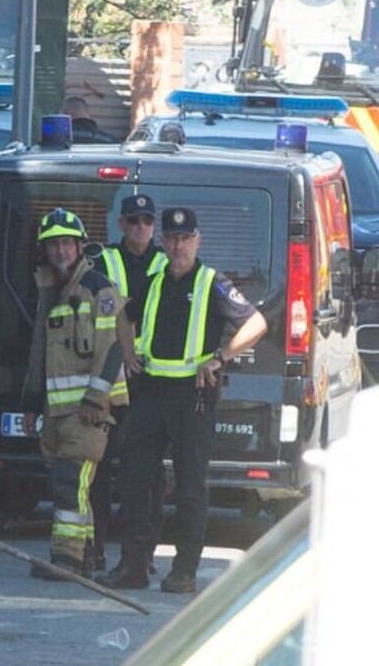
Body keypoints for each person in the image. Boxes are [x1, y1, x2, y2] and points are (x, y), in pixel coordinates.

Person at [97, 208, 267, 593]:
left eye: (185, 238)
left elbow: (256, 324)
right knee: (137, 481)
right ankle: (134, 566)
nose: (178, 246)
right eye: (172, 239)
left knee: (190, 487)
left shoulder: (211, 282)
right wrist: (128, 353)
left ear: (197, 240)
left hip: (193, 397)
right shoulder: (155, 279)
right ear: (164, 242)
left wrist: (221, 357)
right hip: (152, 393)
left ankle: (184, 571)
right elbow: (125, 316)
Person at [23, 208, 130, 579]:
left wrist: (95, 399)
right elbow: (40, 352)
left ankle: (66, 559)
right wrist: (31, 404)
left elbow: (113, 346)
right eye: (53, 245)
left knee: (71, 483)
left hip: (88, 413)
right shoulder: (50, 291)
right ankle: (83, 555)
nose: (60, 251)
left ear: (81, 246)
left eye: (67, 243)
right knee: (69, 487)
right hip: (56, 414)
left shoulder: (98, 289)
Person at [88, 193, 168, 572]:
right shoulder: (103, 261)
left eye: (147, 221)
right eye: (134, 220)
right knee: (100, 466)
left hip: (150, 381)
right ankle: (96, 546)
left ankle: (142, 553)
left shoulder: (168, 264)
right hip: (109, 374)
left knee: (147, 472)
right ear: (121, 224)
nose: (140, 228)